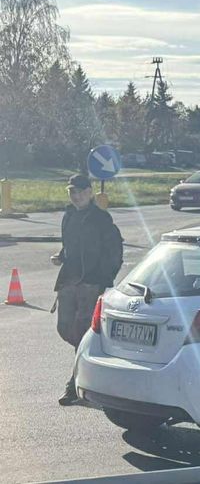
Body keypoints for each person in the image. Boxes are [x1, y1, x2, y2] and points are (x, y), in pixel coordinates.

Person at [51, 174, 124, 406]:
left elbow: (114, 252)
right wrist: (61, 256)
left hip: (91, 283)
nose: (77, 196)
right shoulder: (69, 216)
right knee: (65, 329)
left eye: (82, 192)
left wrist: (102, 279)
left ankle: (75, 383)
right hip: (69, 282)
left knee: (83, 331)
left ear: (91, 193)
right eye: (73, 192)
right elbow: (70, 247)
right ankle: (94, 369)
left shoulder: (101, 219)